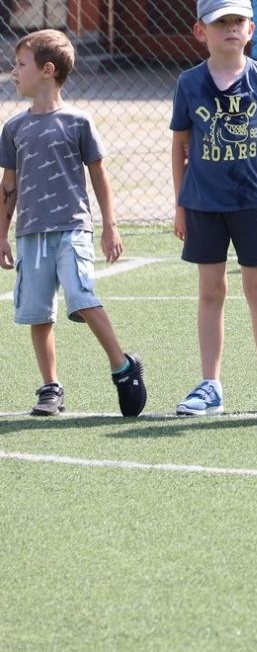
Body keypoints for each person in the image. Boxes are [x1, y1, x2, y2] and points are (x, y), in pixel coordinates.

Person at [0, 30, 145, 417]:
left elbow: (99, 175)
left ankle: (122, 366)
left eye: (21, 64)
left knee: (82, 297)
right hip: (31, 235)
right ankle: (50, 388)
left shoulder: (78, 122)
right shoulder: (13, 128)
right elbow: (9, 185)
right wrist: (2, 235)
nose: (14, 72)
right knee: (37, 313)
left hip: (73, 229)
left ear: (47, 71)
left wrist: (110, 225)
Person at [169, 0, 257, 416]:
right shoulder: (189, 83)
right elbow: (180, 145)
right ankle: (210, 385)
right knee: (211, 290)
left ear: (250, 29)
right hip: (203, 204)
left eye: (237, 21)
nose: (229, 28)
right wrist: (180, 204)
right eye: (219, 21)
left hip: (252, 201)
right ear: (200, 31)